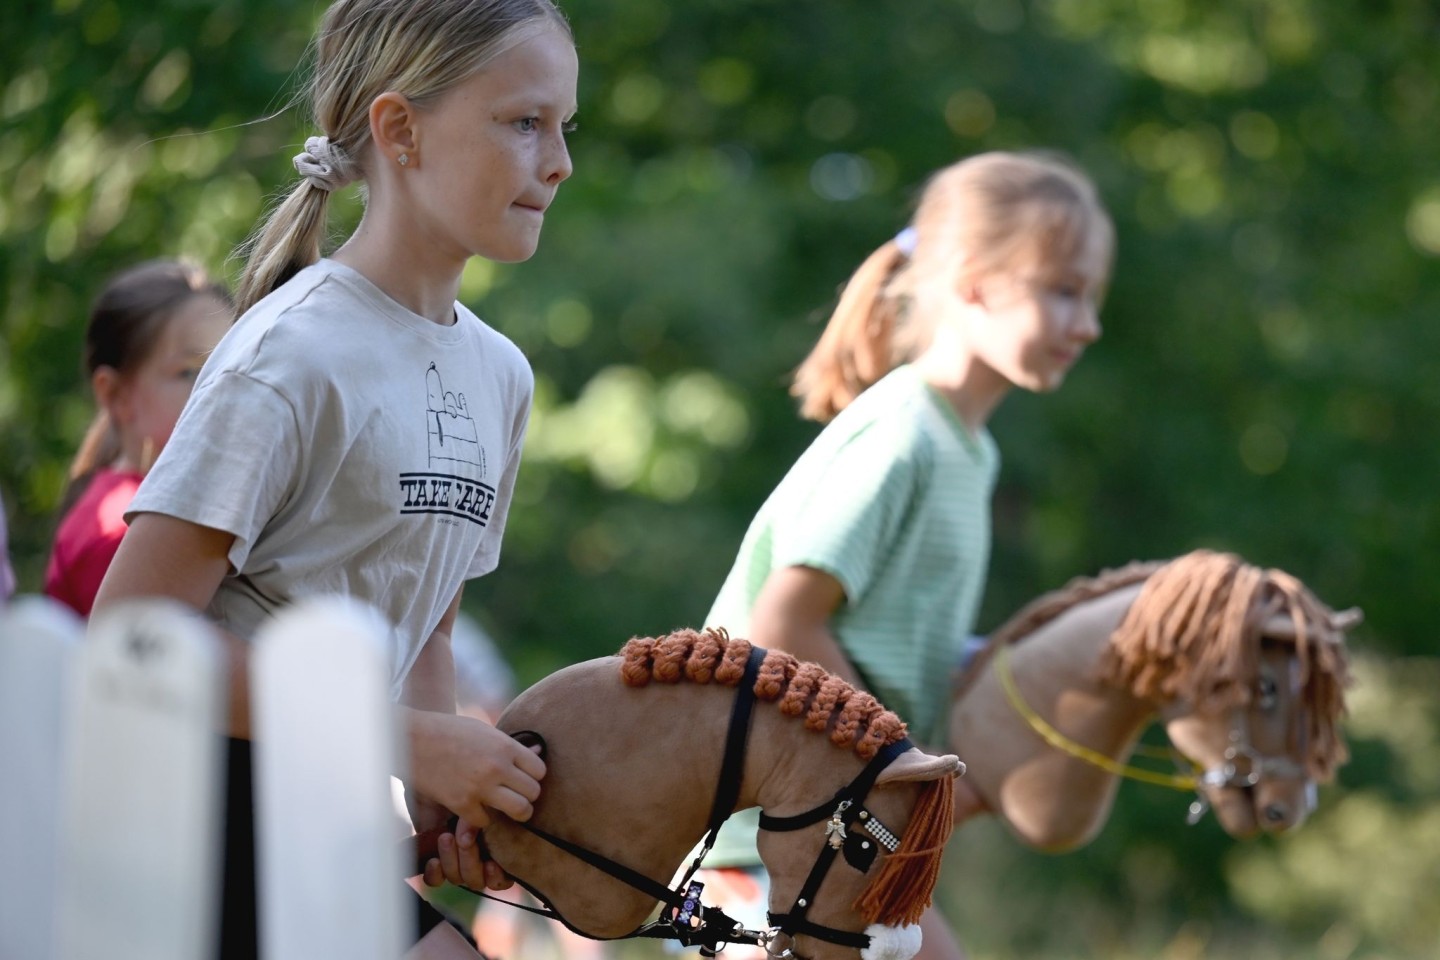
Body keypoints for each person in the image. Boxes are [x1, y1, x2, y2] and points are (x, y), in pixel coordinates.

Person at [91, 1, 578, 957]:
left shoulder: (503, 377)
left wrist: (444, 793)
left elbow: (429, 623)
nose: (558, 160)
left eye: (565, 127)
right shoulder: (290, 353)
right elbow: (132, 638)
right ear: (401, 131)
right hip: (188, 819)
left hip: (321, 817)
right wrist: (410, 740)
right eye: (525, 122)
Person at [698, 151, 1115, 960]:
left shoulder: (970, 450)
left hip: (831, 836)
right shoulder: (902, 436)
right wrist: (902, 763)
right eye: (1062, 291)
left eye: (1091, 297)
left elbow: (889, 645)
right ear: (972, 284)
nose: (1088, 325)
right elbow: (782, 619)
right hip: (757, 848)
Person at [43, 260, 231, 617]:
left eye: (229, 365)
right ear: (115, 395)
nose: (218, 387)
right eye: (189, 371)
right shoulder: (120, 530)